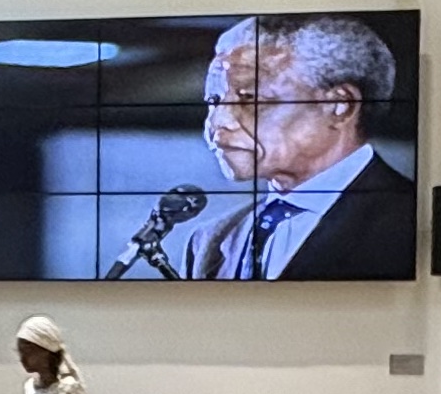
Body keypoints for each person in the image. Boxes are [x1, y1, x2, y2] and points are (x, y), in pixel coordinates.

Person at [174, 15, 415, 282]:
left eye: (250, 98)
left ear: (339, 106)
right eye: (213, 100)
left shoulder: (411, 221)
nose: (218, 122)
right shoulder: (210, 240)